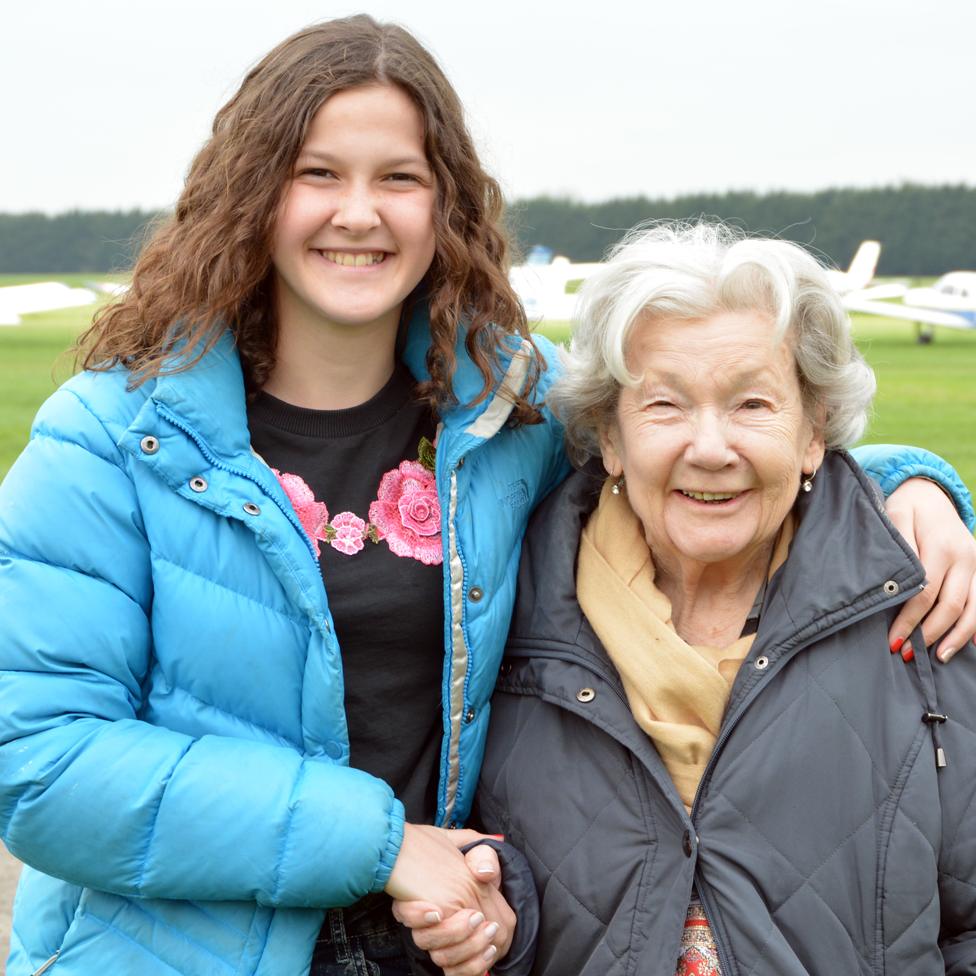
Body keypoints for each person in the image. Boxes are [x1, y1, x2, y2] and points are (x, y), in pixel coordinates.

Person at [0, 17, 973, 976]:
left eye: (399, 178)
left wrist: (904, 485)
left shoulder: (510, 409)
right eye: (318, 173)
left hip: (450, 946)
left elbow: (695, 442)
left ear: (445, 205)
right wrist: (379, 844)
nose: (358, 211)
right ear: (252, 194)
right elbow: (40, 765)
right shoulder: (114, 437)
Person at [400, 221, 976, 975]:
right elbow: (472, 861)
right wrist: (496, 920)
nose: (709, 447)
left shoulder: (928, 613)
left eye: (753, 406)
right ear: (610, 434)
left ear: (814, 434)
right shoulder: (499, 618)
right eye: (665, 405)